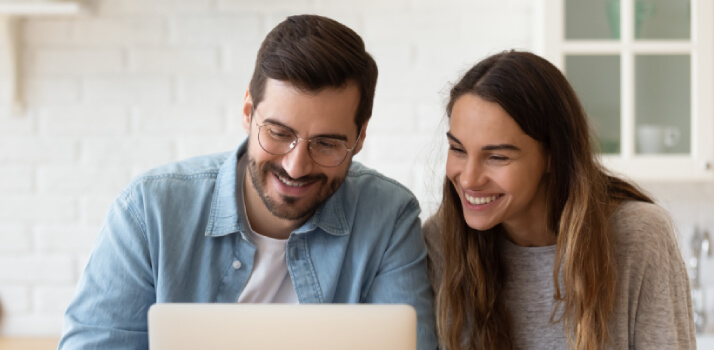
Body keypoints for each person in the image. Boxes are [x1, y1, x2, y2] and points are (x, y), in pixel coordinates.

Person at [58, 14, 436, 349]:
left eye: (326, 143)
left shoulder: (389, 218)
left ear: (359, 139)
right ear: (247, 113)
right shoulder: (148, 211)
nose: (296, 165)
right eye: (277, 132)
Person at [424, 50, 695, 349]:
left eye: (497, 156)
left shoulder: (638, 237)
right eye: (458, 150)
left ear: (553, 156)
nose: (469, 179)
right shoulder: (441, 240)